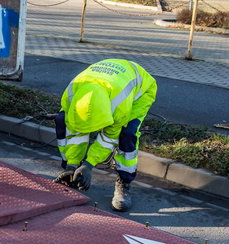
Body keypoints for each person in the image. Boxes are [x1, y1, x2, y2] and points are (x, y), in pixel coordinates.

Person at [53, 59, 157, 212]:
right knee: (62, 120)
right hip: (108, 81)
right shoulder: (70, 95)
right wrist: (72, 164)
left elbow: (109, 138)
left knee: (127, 134)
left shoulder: (119, 105)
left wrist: (89, 164)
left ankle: (124, 183)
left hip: (140, 90)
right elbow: (75, 131)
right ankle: (70, 173)